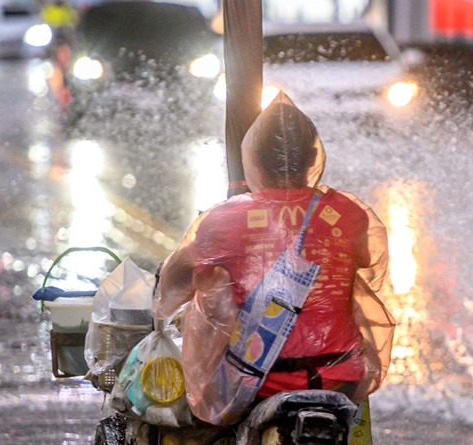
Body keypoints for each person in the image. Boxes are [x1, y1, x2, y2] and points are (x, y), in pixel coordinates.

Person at [152, 94, 395, 427]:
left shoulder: (225, 220)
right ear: (313, 156)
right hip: (343, 379)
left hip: (256, 384)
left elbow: (170, 291)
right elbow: (369, 262)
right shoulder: (349, 213)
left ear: (252, 160)